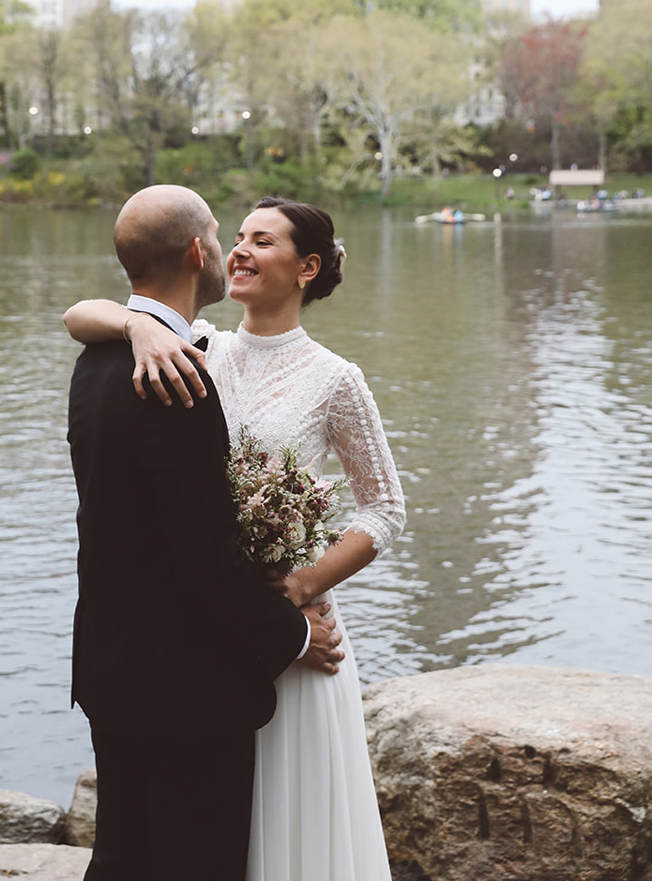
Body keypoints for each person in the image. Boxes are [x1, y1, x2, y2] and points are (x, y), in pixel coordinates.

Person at [65, 195, 406, 881]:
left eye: (263, 240)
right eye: (236, 236)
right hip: (212, 636)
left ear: (308, 268)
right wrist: (137, 326)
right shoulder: (194, 349)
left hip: (278, 619)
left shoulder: (335, 379)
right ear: (205, 253)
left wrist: (302, 588)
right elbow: (78, 315)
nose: (242, 249)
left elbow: (385, 508)